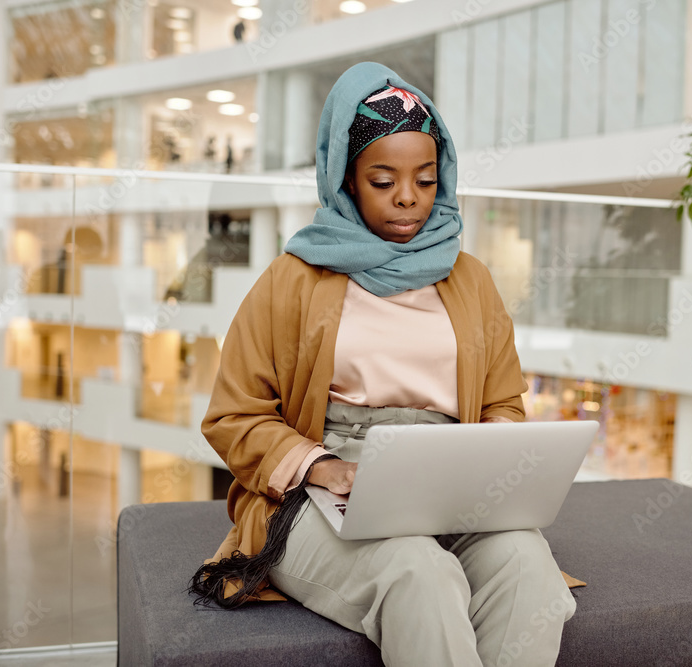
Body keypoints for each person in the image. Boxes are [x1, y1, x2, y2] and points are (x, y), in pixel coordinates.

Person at [188, 62, 577, 666]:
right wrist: (323, 467)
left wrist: (490, 457)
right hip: (321, 489)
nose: (408, 197)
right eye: (383, 180)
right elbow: (233, 415)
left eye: (425, 180)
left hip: (449, 484)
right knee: (416, 571)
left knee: (529, 565)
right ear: (346, 179)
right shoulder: (293, 278)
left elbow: (502, 400)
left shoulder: (470, 278)